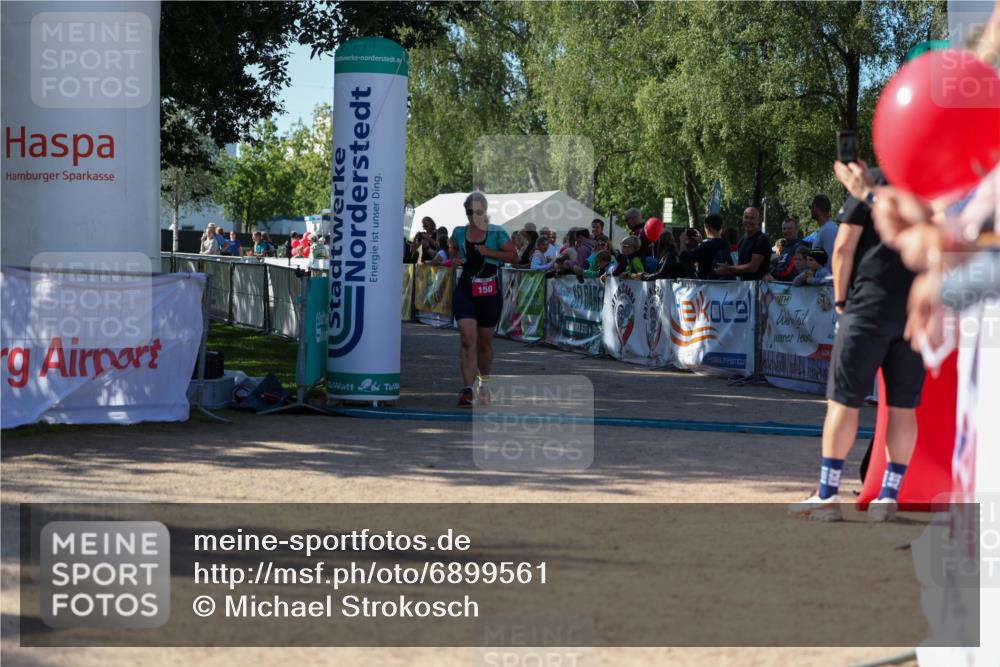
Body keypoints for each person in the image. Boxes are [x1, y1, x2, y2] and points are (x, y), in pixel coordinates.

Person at [789, 160, 925, 522]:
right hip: (916, 310)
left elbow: (844, 249)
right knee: (902, 407)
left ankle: (829, 494)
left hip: (868, 306)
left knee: (843, 403)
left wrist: (840, 301)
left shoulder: (873, 180)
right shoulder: (941, 181)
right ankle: (889, 496)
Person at [449, 192, 519, 407]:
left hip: (489, 292)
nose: (473, 216)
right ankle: (467, 390)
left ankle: (484, 383)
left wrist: (488, 252)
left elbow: (513, 256)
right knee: (467, 339)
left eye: (478, 212)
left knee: (484, 343)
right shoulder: (459, 232)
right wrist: (454, 258)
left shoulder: (496, 232)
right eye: (469, 212)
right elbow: (452, 248)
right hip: (466, 291)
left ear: (485, 211)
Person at [716, 207, 771, 280]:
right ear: (742, 219)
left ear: (758, 221)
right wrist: (725, 270)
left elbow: (753, 267)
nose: (748, 221)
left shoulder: (761, 239)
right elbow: (740, 268)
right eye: (746, 217)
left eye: (752, 218)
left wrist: (729, 268)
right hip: (744, 287)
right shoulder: (742, 240)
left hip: (758, 288)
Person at [678, 214, 732, 280]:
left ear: (707, 227)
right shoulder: (725, 244)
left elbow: (684, 257)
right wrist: (701, 242)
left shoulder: (706, 246)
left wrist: (682, 241)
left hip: (707, 286)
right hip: (722, 286)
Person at [811, 194, 838, 259]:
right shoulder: (827, 228)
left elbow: (831, 259)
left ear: (815, 208)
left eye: (810, 207)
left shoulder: (828, 229)